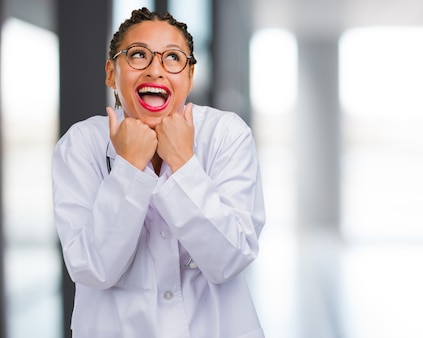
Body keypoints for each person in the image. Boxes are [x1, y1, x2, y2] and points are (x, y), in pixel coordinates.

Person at [52, 7, 266, 338]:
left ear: (190, 76)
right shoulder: (80, 145)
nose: (156, 70)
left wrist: (183, 163)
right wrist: (127, 168)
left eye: (173, 58)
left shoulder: (226, 134)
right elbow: (92, 268)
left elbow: (230, 259)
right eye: (138, 55)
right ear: (112, 73)